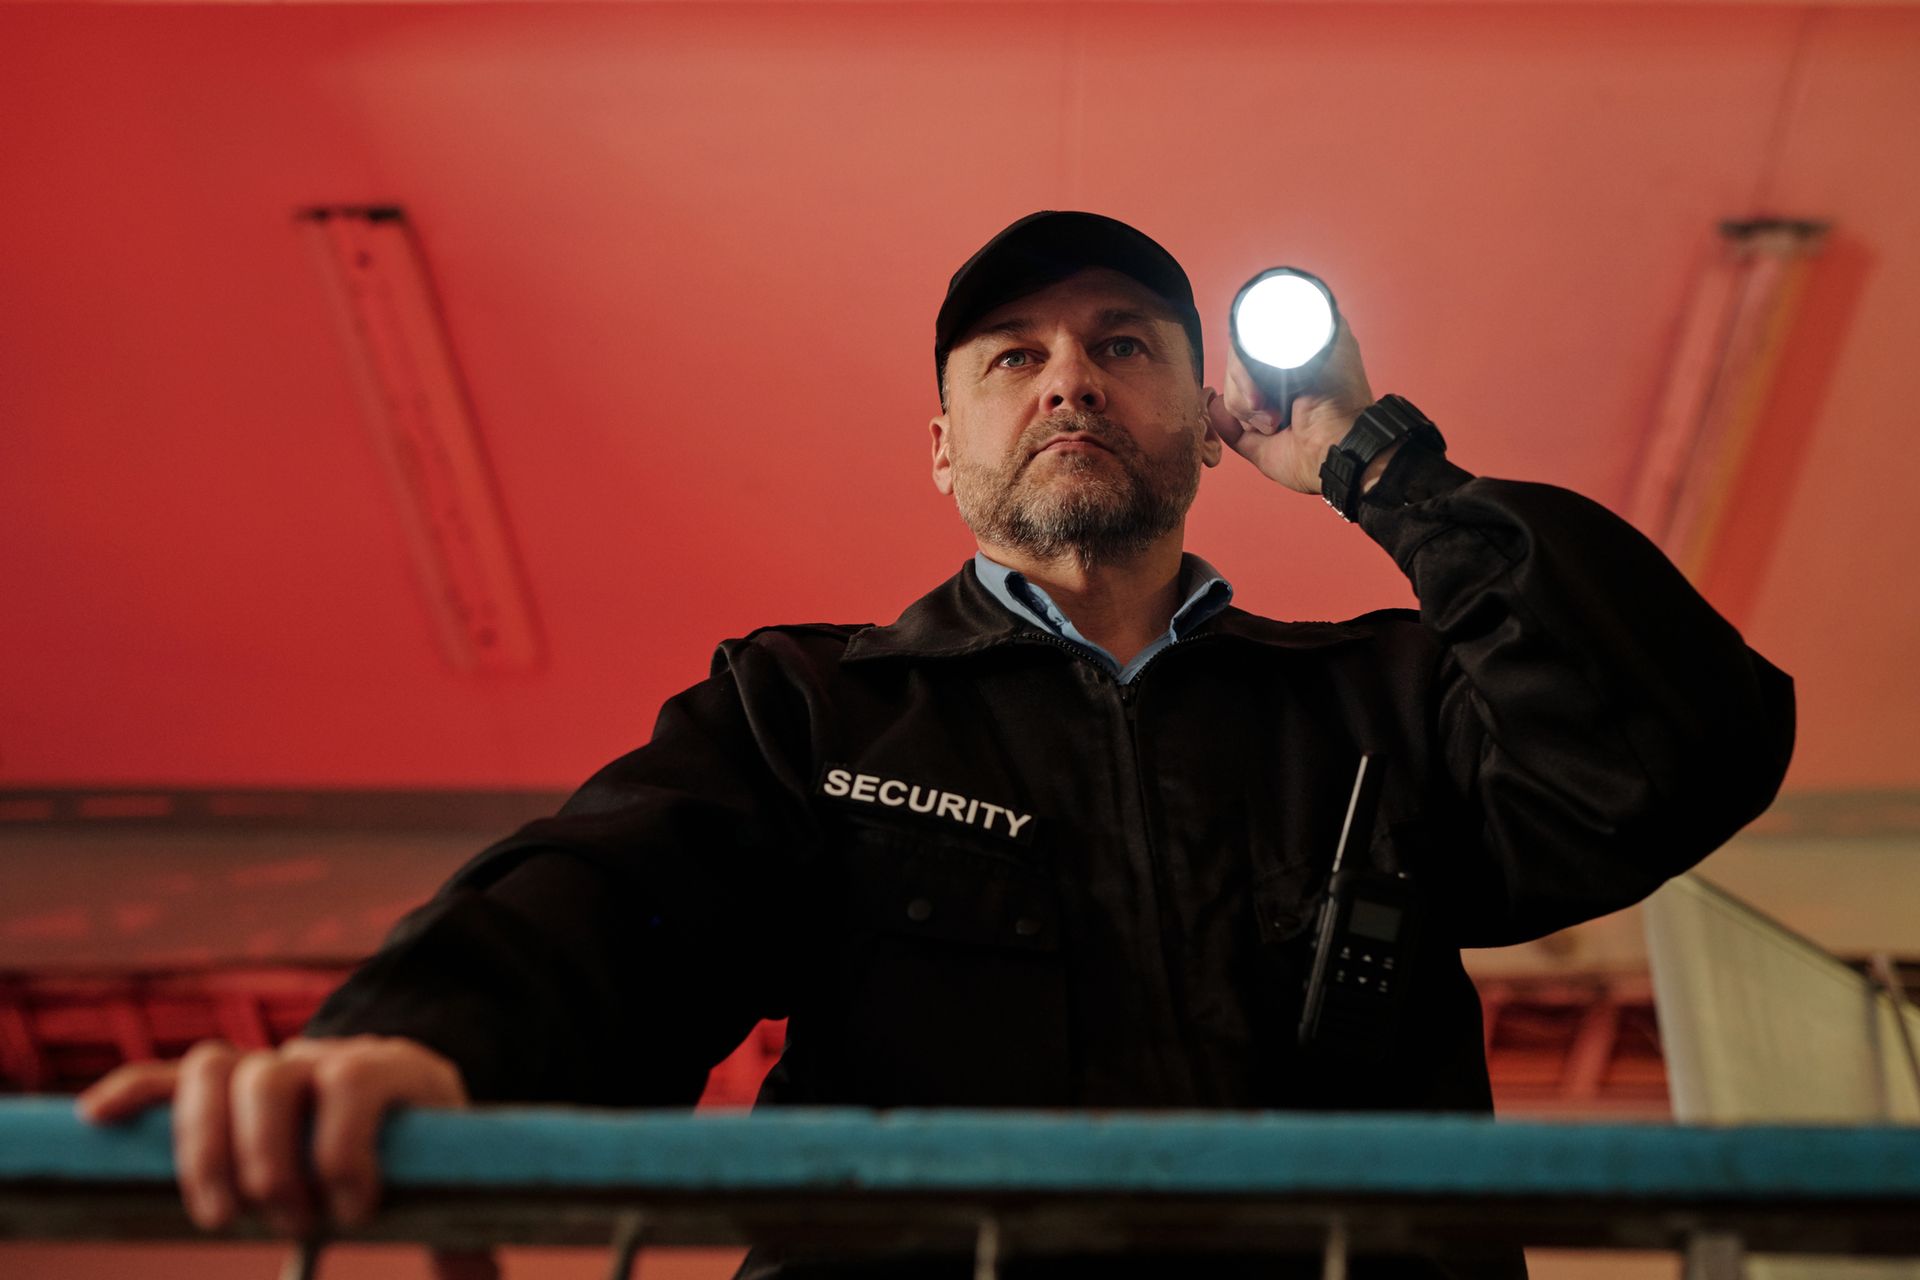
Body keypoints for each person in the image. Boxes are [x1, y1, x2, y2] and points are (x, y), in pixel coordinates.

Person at [79, 211, 1796, 1278]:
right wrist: (414, 1046)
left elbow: (1682, 742)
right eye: (1012, 355)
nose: (1069, 378)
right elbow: (602, 897)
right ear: (943, 443)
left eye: (1124, 347)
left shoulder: (1381, 707)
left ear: (1208, 424)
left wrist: (1373, 462)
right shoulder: (814, 712)